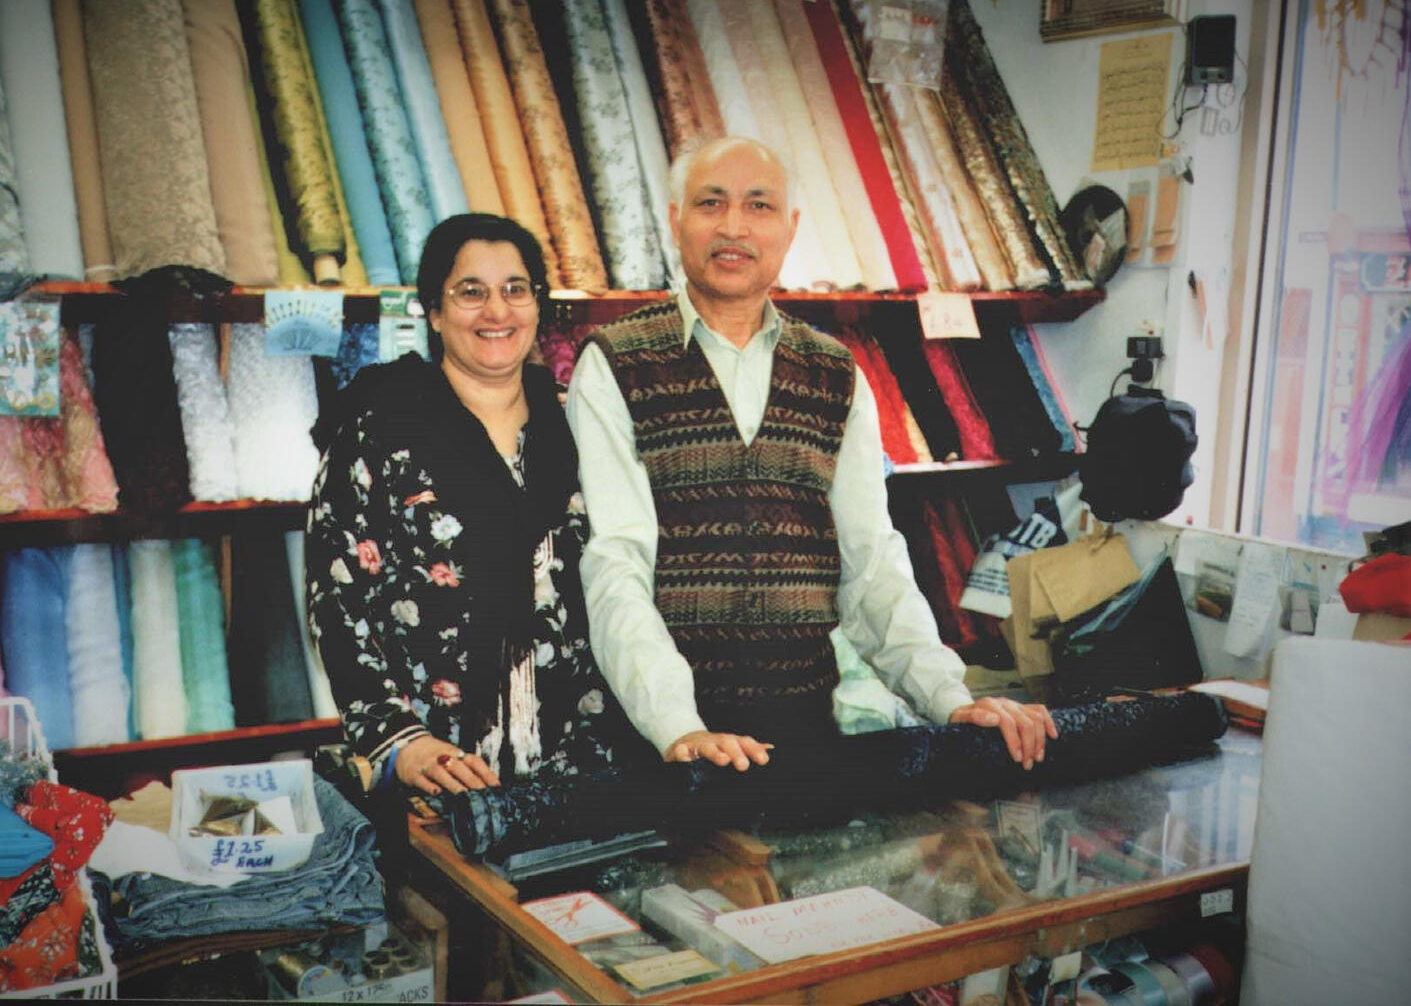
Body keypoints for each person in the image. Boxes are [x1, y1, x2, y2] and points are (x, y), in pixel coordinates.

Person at [566, 137, 1057, 773]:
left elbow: (870, 559)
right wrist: (677, 726)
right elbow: (615, 562)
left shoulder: (835, 373)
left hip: (801, 731)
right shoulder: (614, 364)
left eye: (759, 205)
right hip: (655, 742)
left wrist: (947, 698)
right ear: (675, 219)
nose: (734, 226)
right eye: (711, 203)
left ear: (790, 227)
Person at [307, 213, 634, 797]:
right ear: (433, 310)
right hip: (443, 769)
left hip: (588, 762)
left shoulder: (581, 421)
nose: (497, 312)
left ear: (539, 304)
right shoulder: (379, 433)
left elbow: (631, 573)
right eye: (470, 293)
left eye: (515, 289)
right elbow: (339, 599)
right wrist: (402, 741)